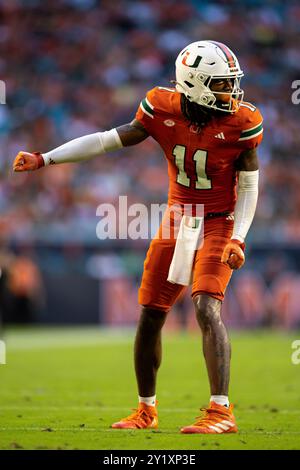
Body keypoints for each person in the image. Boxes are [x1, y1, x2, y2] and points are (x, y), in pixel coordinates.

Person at [13, 41, 263, 434]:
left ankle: (220, 412)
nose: (230, 93)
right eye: (220, 84)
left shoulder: (242, 122)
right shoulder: (160, 107)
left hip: (220, 220)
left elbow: (249, 185)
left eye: (230, 84)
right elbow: (106, 139)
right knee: (150, 313)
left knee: (205, 306)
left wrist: (240, 238)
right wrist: (46, 158)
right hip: (179, 218)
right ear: (194, 84)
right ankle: (146, 410)